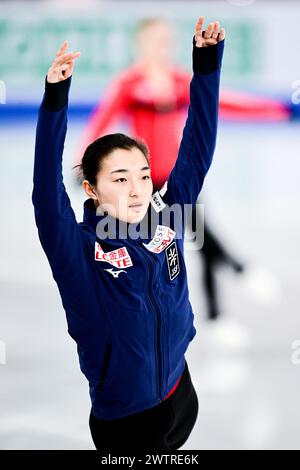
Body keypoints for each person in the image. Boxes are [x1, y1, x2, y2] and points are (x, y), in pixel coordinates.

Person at [32, 16, 225, 451]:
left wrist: (207, 66)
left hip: (182, 395)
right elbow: (45, 193)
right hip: (128, 423)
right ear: (92, 189)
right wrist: (55, 99)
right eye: (120, 179)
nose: (137, 189)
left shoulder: (167, 215)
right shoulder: (78, 251)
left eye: (141, 174)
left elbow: (197, 147)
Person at [74, 17, 243, 322]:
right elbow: (101, 120)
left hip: (178, 180)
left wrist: (282, 110)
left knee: (202, 238)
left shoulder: (179, 80)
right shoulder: (129, 83)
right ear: (140, 44)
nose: (160, 46)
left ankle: (219, 312)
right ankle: (238, 268)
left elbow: (225, 104)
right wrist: (83, 163)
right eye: (154, 40)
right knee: (161, 249)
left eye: (165, 40)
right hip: (145, 186)